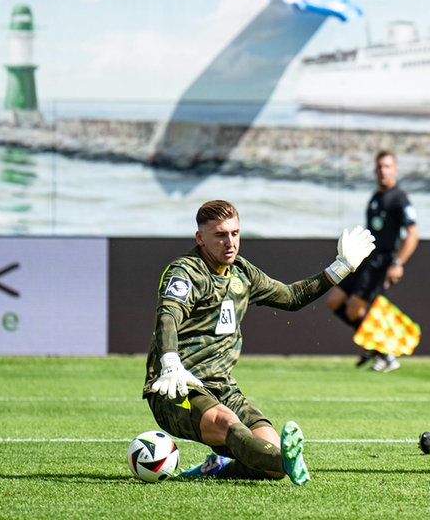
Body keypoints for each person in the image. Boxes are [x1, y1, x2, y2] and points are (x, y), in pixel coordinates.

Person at [142, 199, 376, 485]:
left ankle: (218, 468)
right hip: (177, 387)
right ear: (200, 238)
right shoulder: (186, 271)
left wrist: (342, 267)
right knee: (228, 424)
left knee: (270, 460)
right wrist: (169, 361)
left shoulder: (243, 272)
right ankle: (288, 464)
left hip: (223, 387)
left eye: (235, 233)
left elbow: (291, 297)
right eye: (220, 235)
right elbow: (168, 313)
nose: (230, 242)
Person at [326, 151, 419, 373]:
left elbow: (413, 234)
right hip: (366, 260)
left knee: (353, 310)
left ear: (395, 170)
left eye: (387, 166)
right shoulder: (376, 197)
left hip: (382, 264)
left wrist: (398, 263)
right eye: (379, 167)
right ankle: (376, 348)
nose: (383, 171)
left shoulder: (400, 199)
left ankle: (385, 353)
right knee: (334, 300)